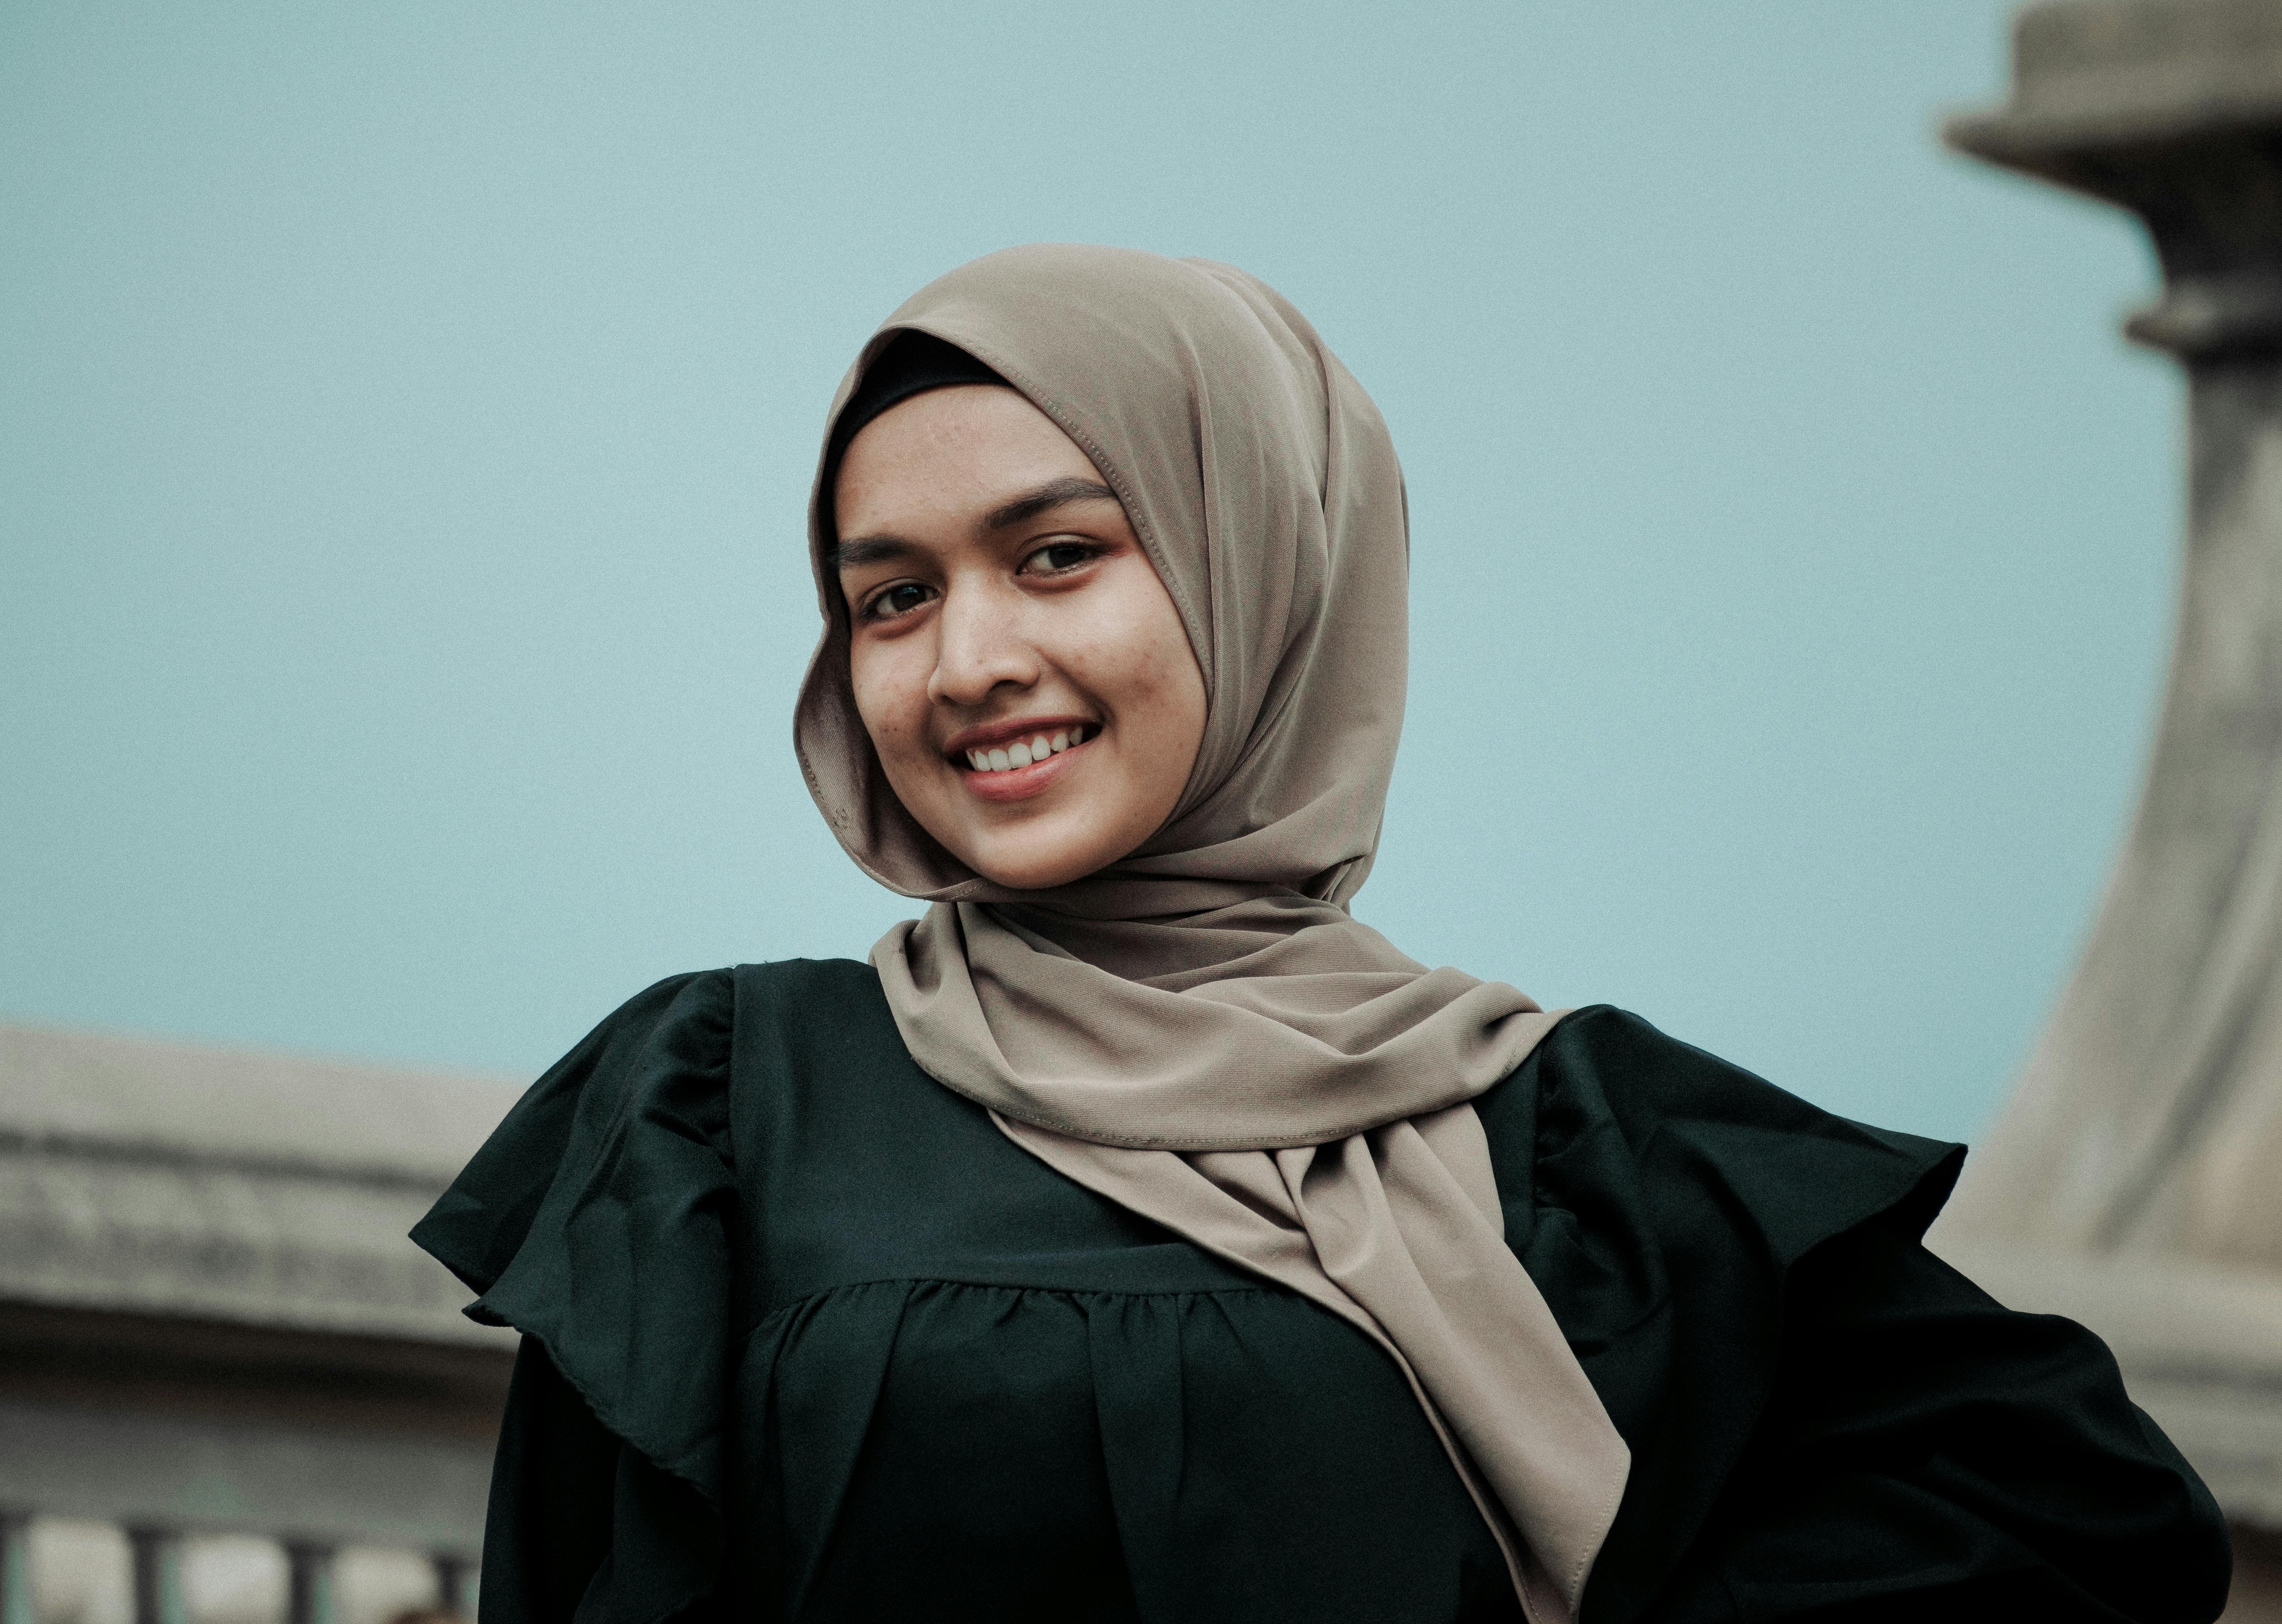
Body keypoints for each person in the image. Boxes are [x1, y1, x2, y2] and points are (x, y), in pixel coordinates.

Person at [412, 244, 2230, 1624]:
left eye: (1058, 554)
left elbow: (2089, 1518)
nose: (966, 662)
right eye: (892, 595)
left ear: (1267, 563)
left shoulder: (1573, 1147)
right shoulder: (721, 1105)